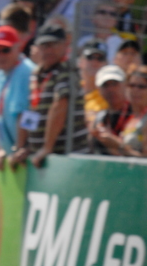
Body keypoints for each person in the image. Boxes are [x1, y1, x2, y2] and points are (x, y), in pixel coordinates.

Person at [8, 21, 88, 168]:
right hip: (46, 159)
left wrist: (46, 148)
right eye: (44, 46)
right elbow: (32, 112)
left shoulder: (67, 71)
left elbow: (60, 106)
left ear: (65, 45)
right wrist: (25, 146)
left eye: (53, 45)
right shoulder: (37, 74)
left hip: (68, 158)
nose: (48, 50)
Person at [91, 65, 147, 158]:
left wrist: (119, 146)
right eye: (131, 85)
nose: (135, 90)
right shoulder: (133, 117)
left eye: (141, 87)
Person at [0, 25, 36, 169]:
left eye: (6, 50)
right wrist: (2, 150)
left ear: (18, 48)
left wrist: (20, 148)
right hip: (10, 154)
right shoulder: (0, 75)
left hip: (25, 157)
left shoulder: (26, 71)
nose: (1, 55)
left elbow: (28, 113)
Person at [88, 64, 130, 155]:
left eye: (115, 83)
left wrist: (116, 144)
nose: (111, 89)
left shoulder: (137, 114)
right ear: (98, 89)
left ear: (125, 85)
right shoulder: (99, 119)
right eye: (105, 85)